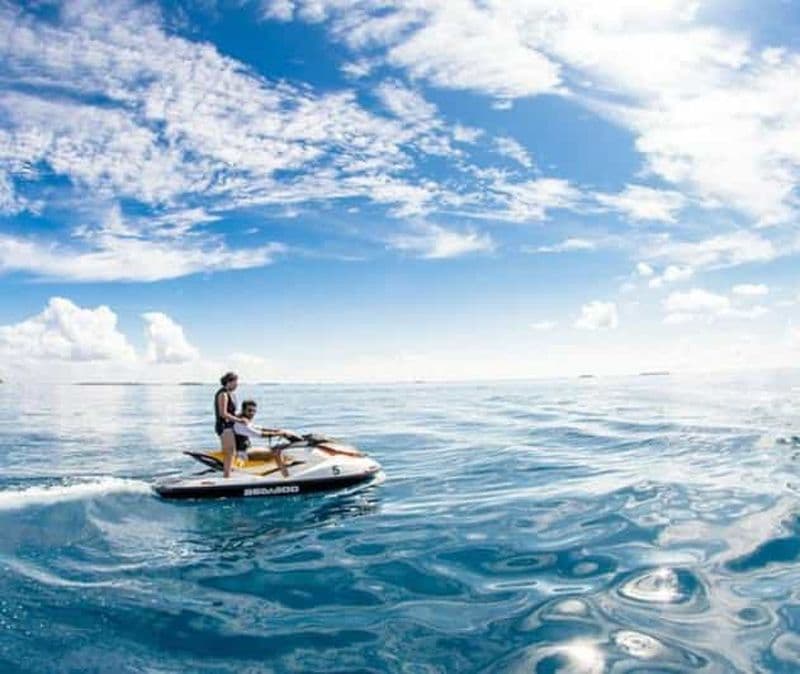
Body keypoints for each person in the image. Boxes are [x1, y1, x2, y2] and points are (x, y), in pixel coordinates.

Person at [233, 400, 297, 478]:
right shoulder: (240, 423)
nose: (252, 413)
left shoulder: (242, 419)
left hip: (246, 449)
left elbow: (258, 428)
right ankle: (287, 478)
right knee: (276, 452)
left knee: (273, 448)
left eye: (254, 411)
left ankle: (278, 471)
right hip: (242, 454)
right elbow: (258, 434)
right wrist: (279, 434)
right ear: (243, 410)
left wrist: (277, 430)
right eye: (249, 410)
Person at [214, 371, 246, 478]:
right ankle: (227, 476)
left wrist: (242, 415)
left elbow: (231, 412)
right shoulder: (223, 394)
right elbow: (223, 414)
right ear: (229, 382)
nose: (237, 385)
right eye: (235, 383)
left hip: (230, 426)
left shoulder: (232, 394)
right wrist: (239, 420)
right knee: (229, 452)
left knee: (232, 451)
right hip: (224, 426)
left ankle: (229, 472)